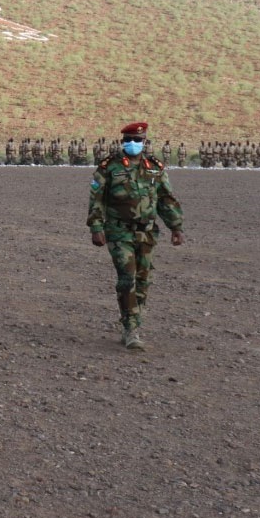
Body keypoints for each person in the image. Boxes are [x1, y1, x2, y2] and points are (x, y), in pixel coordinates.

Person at [87, 122, 185, 351]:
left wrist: (176, 227)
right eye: (129, 140)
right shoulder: (108, 167)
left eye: (138, 140)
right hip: (119, 232)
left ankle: (133, 323)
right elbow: (97, 199)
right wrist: (96, 227)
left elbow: (166, 199)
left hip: (147, 232)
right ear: (122, 142)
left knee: (143, 280)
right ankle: (130, 328)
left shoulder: (155, 167)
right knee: (127, 278)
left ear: (145, 142)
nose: (133, 143)